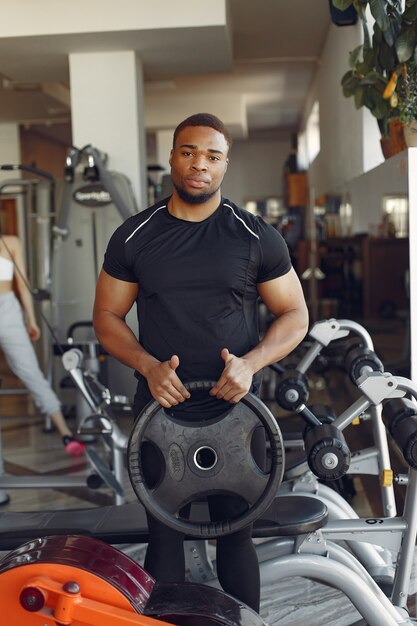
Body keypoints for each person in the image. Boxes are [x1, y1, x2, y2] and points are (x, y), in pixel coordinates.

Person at [93, 112, 309, 612]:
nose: (199, 165)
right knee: (165, 541)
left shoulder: (255, 236)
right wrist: (148, 365)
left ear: (225, 165)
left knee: (236, 538)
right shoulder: (134, 235)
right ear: (172, 157)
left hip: (237, 414)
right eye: (189, 152)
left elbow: (295, 314)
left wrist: (251, 362)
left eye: (212, 156)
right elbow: (106, 316)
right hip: (160, 414)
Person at [0, 232, 84, 457]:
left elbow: (23, 282)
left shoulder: (11, 243)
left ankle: (65, 432)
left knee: (31, 373)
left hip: (8, 310)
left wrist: (31, 319)